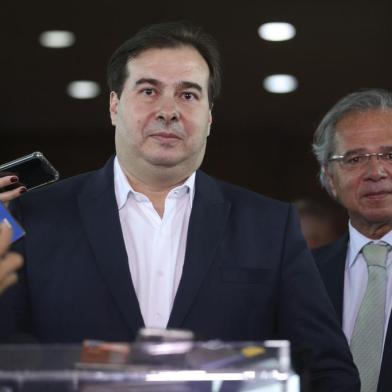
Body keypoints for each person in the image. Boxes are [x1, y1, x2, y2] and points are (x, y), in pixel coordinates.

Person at [0, 21, 359, 391]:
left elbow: (328, 369)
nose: (167, 111)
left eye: (188, 95)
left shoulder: (269, 225)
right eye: (149, 91)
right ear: (114, 105)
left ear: (209, 118)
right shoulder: (35, 216)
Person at [312, 88, 392, 392]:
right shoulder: (302, 275)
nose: (376, 171)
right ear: (330, 177)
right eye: (355, 158)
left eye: (390, 154)